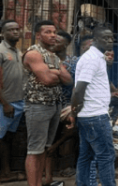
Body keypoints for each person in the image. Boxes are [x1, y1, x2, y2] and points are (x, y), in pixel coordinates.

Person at [23, 21, 72, 186]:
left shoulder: (53, 56)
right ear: (38, 35)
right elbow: (47, 79)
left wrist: (55, 72)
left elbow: (68, 80)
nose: (53, 35)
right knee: (34, 150)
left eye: (54, 32)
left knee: (44, 149)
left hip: (54, 105)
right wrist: (55, 74)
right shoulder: (34, 54)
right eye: (48, 32)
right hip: (38, 105)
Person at [69, 26, 116, 186]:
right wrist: (74, 111)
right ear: (95, 40)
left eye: (111, 38)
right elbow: (79, 89)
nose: (110, 41)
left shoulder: (98, 57)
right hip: (95, 116)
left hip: (89, 116)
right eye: (105, 38)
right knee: (106, 156)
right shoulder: (91, 59)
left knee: (86, 156)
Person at [0, 20, 24, 180]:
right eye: (11, 29)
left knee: (8, 138)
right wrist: (5, 103)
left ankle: (6, 172)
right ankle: (5, 173)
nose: (15, 32)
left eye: (17, 29)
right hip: (5, 103)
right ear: (2, 33)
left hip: (18, 103)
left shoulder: (18, 51)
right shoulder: (1, 51)